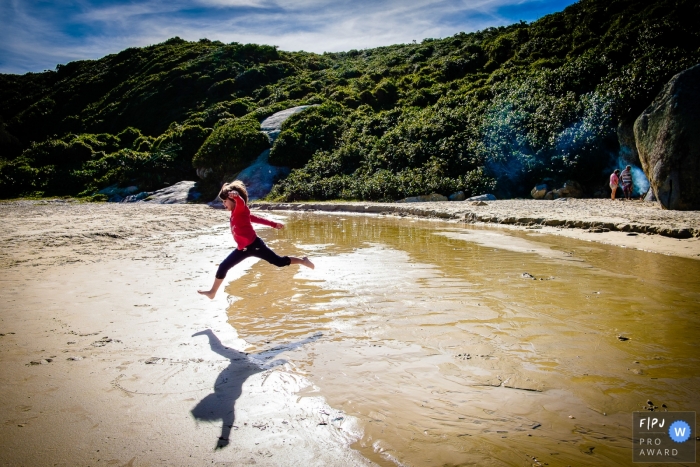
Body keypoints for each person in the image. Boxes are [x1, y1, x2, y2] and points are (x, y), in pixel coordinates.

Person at [198, 180, 314, 299]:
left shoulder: (240, 208)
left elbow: (241, 202)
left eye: (225, 201)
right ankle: (212, 292)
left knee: (278, 262)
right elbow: (254, 218)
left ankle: (302, 261)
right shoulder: (235, 212)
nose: (224, 204)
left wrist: (237, 197)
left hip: (255, 245)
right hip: (242, 249)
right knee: (223, 266)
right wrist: (273, 224)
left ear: (232, 200)